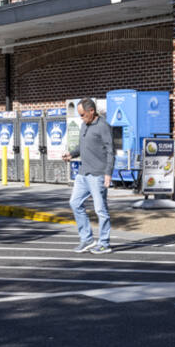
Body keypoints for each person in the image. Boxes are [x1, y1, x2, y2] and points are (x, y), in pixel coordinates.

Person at [64, 98, 114, 253]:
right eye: (80, 115)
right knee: (75, 203)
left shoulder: (103, 126)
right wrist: (71, 154)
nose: (81, 118)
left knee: (100, 209)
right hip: (83, 173)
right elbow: (83, 146)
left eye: (83, 114)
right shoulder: (85, 125)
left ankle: (104, 243)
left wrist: (108, 173)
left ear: (91, 111)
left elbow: (111, 150)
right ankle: (87, 239)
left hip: (97, 174)